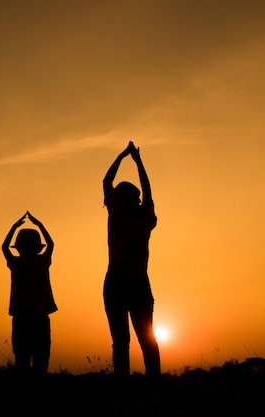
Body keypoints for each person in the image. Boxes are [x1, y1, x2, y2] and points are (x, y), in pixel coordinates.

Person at [103, 140, 161, 386]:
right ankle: (153, 391)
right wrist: (138, 161)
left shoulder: (117, 213)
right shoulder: (147, 217)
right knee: (147, 340)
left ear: (118, 198)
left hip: (117, 283)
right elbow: (147, 190)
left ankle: (123, 393)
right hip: (138, 284)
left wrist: (122, 156)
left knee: (121, 343)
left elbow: (106, 181)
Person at [2, 211, 58, 374]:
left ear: (18, 247)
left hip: (21, 318)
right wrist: (38, 224)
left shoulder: (15, 263)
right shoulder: (42, 262)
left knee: (22, 362)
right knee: (41, 363)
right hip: (40, 318)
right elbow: (51, 244)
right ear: (37, 247)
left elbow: (4, 247)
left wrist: (14, 226)